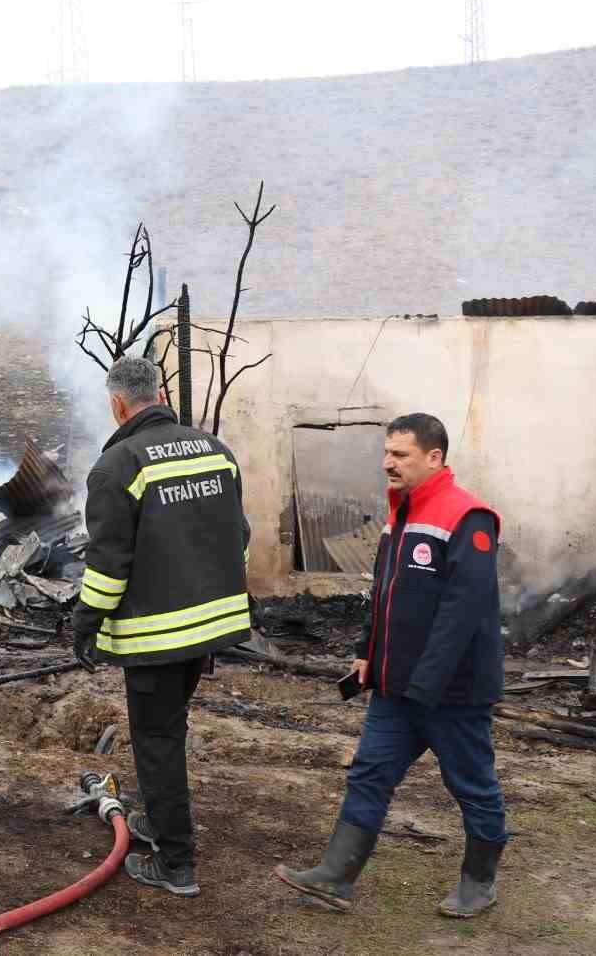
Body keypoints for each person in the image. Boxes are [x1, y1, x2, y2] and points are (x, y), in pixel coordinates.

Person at [273, 412, 507, 918]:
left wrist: (425, 684)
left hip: (454, 693)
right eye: (386, 453)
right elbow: (382, 594)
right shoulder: (399, 512)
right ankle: (336, 877)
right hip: (394, 686)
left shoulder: (469, 517)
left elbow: (461, 613)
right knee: (369, 774)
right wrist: (367, 651)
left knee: (471, 783)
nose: (387, 463)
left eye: (400, 455)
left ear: (434, 457)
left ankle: (479, 883)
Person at [72, 356, 252, 897]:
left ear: (118, 404)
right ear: (158, 393)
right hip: (210, 628)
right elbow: (237, 537)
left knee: (157, 741)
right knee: (168, 730)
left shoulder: (117, 466)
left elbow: (107, 566)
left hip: (156, 637)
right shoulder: (215, 452)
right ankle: (156, 820)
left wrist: (84, 622)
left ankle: (176, 863)